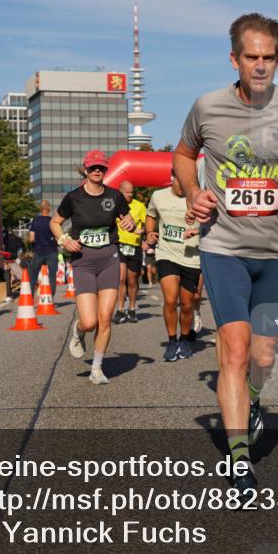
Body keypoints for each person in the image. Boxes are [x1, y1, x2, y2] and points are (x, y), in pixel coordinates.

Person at [173, 12, 278, 497]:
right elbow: (183, 155)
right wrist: (191, 191)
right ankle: (240, 463)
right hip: (223, 246)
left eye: (268, 58)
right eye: (251, 58)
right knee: (236, 352)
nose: (260, 67)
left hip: (275, 251)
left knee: (263, 355)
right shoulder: (208, 107)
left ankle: (256, 402)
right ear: (234, 59)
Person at [49, 150, 135, 385]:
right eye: (93, 167)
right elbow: (55, 222)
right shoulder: (73, 198)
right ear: (86, 170)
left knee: (105, 318)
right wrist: (63, 240)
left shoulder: (114, 196)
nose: (97, 171)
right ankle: (78, 332)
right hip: (83, 262)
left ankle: (96, 368)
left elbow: (128, 221)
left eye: (101, 168)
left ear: (106, 171)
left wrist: (130, 222)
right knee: (89, 322)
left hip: (109, 259)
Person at [146, 173, 202, 362]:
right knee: (170, 299)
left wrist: (196, 230)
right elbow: (150, 215)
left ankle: (184, 339)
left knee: (187, 304)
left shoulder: (199, 198)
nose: (184, 186)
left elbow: (213, 224)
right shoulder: (158, 196)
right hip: (166, 253)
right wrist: (149, 232)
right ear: (173, 178)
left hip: (192, 256)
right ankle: (172, 341)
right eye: (181, 181)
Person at [113, 181, 147, 324]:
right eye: (126, 192)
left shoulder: (140, 206)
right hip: (119, 244)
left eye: (131, 192)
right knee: (121, 278)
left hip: (134, 246)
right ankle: (120, 310)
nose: (129, 194)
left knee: (132, 280)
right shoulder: (114, 206)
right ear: (120, 192)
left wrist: (143, 231)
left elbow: (146, 226)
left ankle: (132, 308)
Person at [29, 200, 59, 296]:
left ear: (40, 209)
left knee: (33, 275)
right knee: (52, 276)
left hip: (38, 251)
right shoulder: (53, 221)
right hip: (52, 251)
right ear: (49, 208)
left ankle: (30, 297)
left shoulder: (35, 221)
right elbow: (58, 237)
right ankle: (50, 298)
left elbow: (31, 239)